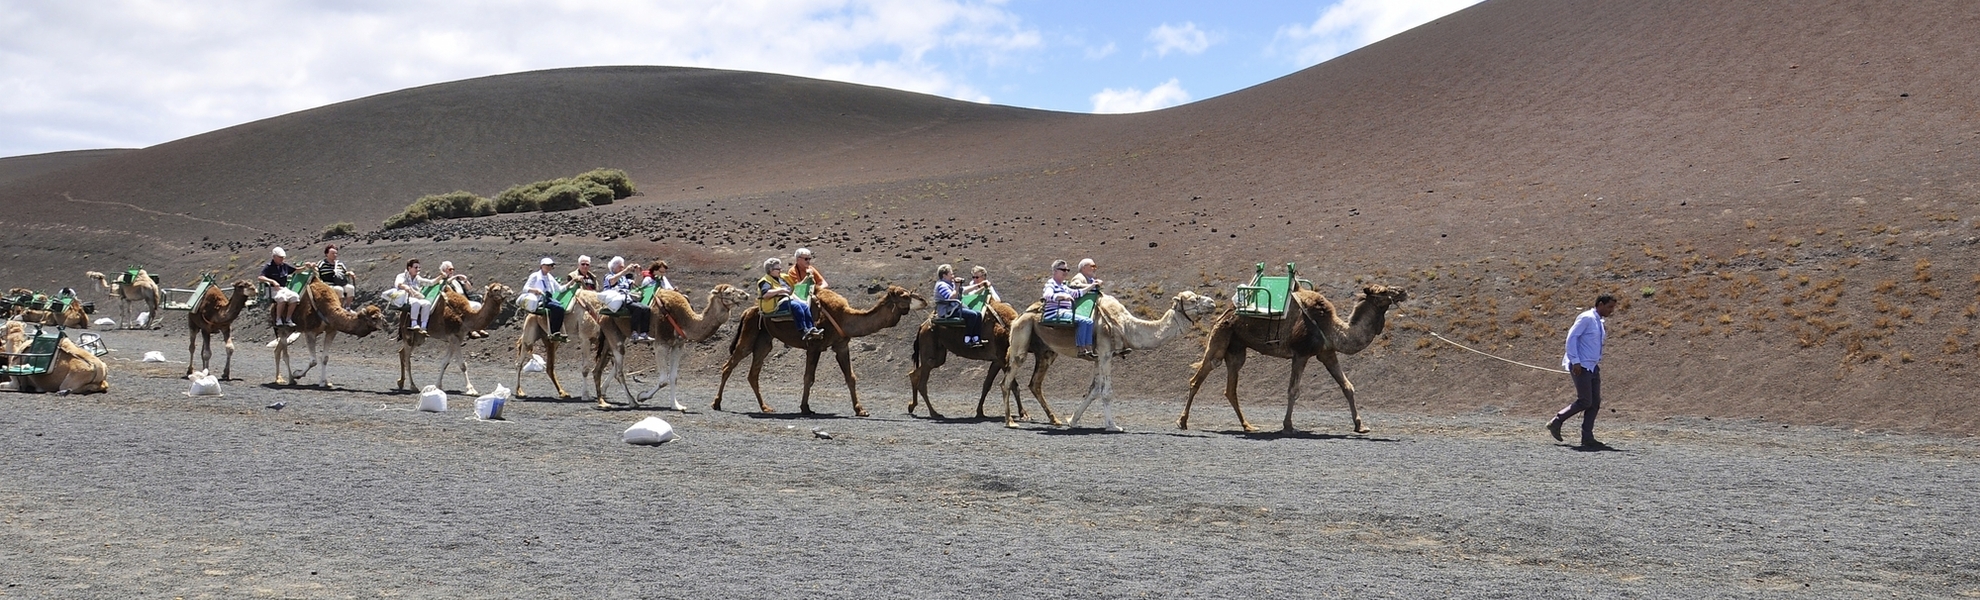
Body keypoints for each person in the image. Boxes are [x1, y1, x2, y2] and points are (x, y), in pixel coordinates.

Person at [1548, 294, 1619, 449]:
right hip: (1581, 366)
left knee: (1595, 402)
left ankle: (1587, 437)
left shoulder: (1598, 321)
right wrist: (1575, 361)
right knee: (1585, 401)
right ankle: (1557, 421)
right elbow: (1571, 337)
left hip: (1592, 366)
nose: (1611, 310)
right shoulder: (1586, 318)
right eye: (1609, 307)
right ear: (1600, 304)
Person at [1042, 259, 1097, 358]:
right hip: (1055, 313)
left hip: (1065, 312)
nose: (1066, 272)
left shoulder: (1063, 286)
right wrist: (1062, 296)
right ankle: (1081, 349)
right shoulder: (1051, 284)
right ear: (1055, 271)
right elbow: (1047, 295)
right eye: (1063, 270)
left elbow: (1077, 293)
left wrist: (1092, 286)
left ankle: (1088, 348)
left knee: (1089, 321)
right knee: (1084, 321)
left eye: (1067, 270)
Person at [759, 257, 821, 340]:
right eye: (778, 269)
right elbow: (765, 294)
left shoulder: (782, 278)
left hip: (787, 299)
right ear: (770, 270)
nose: (780, 270)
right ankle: (803, 330)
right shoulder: (765, 281)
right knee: (796, 306)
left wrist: (807, 278)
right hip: (776, 304)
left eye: (780, 268)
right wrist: (780, 290)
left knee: (804, 306)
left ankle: (811, 328)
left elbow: (794, 287)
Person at [598, 256, 654, 343]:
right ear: (614, 267)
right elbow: (612, 281)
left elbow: (635, 285)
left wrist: (638, 273)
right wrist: (626, 271)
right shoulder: (608, 276)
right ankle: (634, 334)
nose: (622, 269)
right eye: (620, 267)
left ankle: (644, 333)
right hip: (617, 298)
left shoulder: (624, 278)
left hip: (627, 298)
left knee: (646, 308)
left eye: (623, 267)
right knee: (638, 308)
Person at [934, 264, 986, 347]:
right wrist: (957, 286)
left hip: (955, 309)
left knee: (978, 314)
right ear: (944, 275)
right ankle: (967, 339)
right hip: (948, 311)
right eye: (951, 274)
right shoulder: (942, 285)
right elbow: (951, 297)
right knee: (972, 315)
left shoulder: (950, 284)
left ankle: (976, 338)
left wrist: (979, 285)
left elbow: (964, 289)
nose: (953, 276)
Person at [524, 257, 571, 343]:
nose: (549, 267)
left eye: (551, 265)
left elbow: (560, 289)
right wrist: (535, 290)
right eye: (547, 265)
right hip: (540, 299)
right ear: (542, 266)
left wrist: (571, 283)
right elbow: (525, 288)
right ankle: (554, 332)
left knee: (561, 307)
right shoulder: (535, 276)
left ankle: (557, 332)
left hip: (549, 298)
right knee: (558, 308)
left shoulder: (550, 277)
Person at [438, 261, 488, 339]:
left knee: (477, 305)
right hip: (456, 304)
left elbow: (469, 288)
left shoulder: (456, 280)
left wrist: (465, 281)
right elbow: (445, 285)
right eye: (450, 269)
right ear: (444, 271)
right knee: (468, 309)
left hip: (465, 300)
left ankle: (478, 328)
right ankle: (471, 331)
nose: (452, 271)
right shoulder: (443, 281)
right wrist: (454, 277)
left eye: (453, 269)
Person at [385, 259, 436, 334]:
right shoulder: (402, 276)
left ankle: (423, 326)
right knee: (416, 302)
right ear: (409, 268)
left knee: (427, 303)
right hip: (404, 297)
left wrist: (441, 276)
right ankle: (414, 323)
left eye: (419, 267)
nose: (418, 269)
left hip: (415, 297)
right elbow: (398, 284)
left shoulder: (418, 278)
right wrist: (406, 287)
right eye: (416, 267)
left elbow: (430, 283)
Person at [259, 247, 302, 327]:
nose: (282, 259)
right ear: (274, 257)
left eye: (283, 257)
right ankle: (278, 319)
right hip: (272, 289)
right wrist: (272, 281)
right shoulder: (268, 266)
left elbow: (296, 270)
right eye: (280, 257)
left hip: (283, 288)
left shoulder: (284, 266)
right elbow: (260, 277)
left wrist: (306, 267)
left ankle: (288, 319)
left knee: (295, 297)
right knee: (281, 298)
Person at [316, 245, 356, 309]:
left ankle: (348, 307)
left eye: (336, 253)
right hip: (328, 284)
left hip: (340, 283)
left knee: (350, 288)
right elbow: (316, 270)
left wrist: (349, 273)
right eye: (332, 253)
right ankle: (340, 308)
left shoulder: (340, 263)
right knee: (339, 289)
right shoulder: (321, 263)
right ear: (327, 254)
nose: (335, 255)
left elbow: (344, 272)